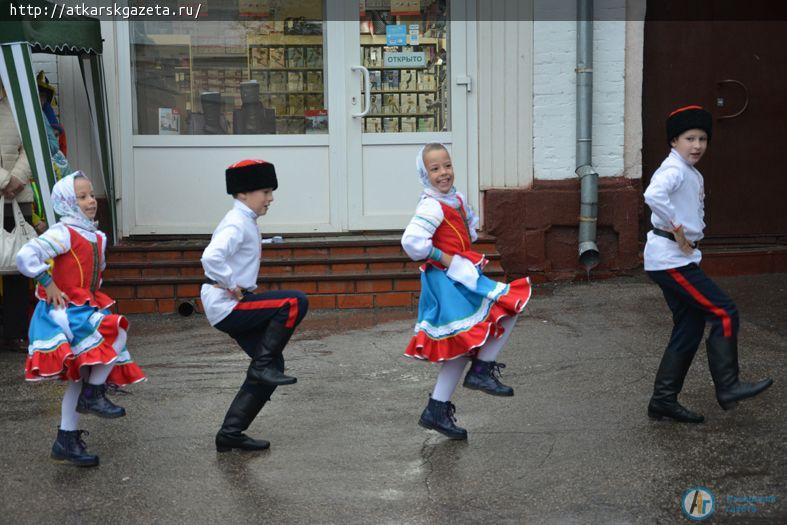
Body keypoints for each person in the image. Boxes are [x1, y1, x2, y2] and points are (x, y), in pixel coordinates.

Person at [643, 105, 773, 424]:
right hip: (670, 259)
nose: (697, 145)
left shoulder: (690, 172)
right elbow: (652, 195)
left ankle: (663, 401)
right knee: (724, 311)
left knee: (689, 328)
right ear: (674, 141)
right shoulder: (673, 170)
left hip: (677, 258)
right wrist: (678, 229)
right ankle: (728, 386)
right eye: (689, 138)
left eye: (702, 138)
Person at [401, 143, 532, 440]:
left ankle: (436, 409)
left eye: (446, 165)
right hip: (447, 281)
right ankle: (481, 370)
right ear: (425, 174)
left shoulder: (453, 198)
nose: (443, 173)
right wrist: (445, 258)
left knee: (462, 345)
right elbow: (412, 242)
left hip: (461, 276)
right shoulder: (431, 205)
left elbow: (467, 227)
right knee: (510, 304)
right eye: (435, 169)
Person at [15, 172, 146, 466]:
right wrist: (48, 283)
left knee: (81, 374)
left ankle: (67, 439)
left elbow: (93, 278)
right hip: (62, 309)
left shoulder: (95, 235)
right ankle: (93, 394)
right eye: (82, 197)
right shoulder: (63, 232)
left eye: (90, 195)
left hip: (84, 305)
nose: (90, 202)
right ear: (66, 202)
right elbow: (26, 256)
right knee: (117, 331)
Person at [201, 159, 308, 452]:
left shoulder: (245, 220)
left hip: (230, 302)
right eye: (265, 191)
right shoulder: (237, 222)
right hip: (227, 304)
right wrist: (230, 284)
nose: (271, 198)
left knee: (275, 364)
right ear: (243, 193)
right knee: (294, 301)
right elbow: (211, 258)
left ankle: (230, 434)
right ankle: (261, 366)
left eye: (271, 191)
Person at [1, 79, 36, 352]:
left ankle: (15, 333)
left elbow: (33, 147)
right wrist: (4, 180)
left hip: (18, 199)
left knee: (17, 267)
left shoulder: (18, 104)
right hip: (8, 190)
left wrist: (18, 179)